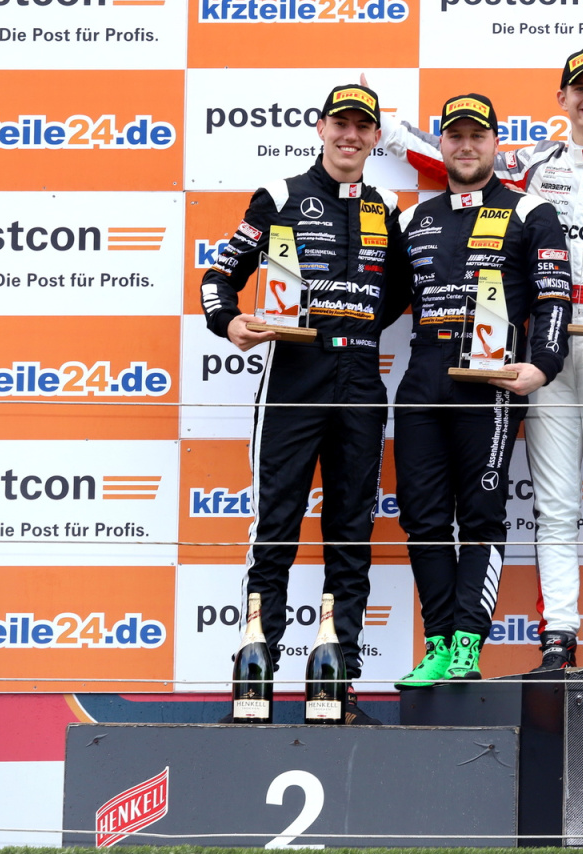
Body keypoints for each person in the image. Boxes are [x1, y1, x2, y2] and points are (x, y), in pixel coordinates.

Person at [381, 49, 583, 671]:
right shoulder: (532, 162)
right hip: (544, 346)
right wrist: (385, 126)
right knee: (552, 502)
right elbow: (454, 158)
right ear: (562, 99)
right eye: (580, 89)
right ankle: (558, 635)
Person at [202, 83, 406, 725]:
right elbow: (219, 276)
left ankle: (336, 688)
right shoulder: (281, 194)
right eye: (340, 123)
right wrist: (230, 322)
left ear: (376, 138)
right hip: (294, 381)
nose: (350, 135)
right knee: (275, 531)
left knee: (351, 536)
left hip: (361, 383)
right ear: (320, 128)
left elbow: (399, 291)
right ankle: (253, 685)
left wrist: (355, 326)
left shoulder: (386, 205)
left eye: (362, 126)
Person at [392, 94, 572, 685]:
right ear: (441, 144)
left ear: (496, 142)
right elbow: (384, 300)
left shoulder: (531, 211)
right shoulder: (415, 218)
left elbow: (555, 296)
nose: (466, 146)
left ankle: (468, 645)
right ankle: (439, 643)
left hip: (490, 384)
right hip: (422, 380)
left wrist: (543, 364)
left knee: (480, 517)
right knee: (421, 518)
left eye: (477, 136)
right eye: (455, 136)